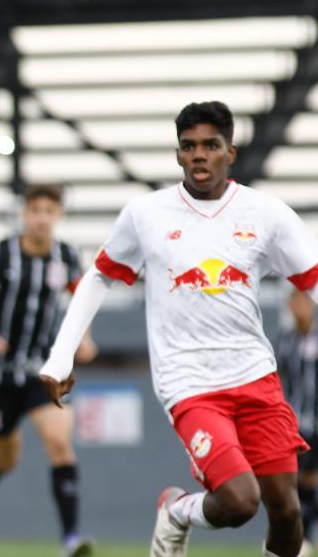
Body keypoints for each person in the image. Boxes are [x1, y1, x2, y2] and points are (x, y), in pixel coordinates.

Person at [37, 101, 318, 557]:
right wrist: (61, 354)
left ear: (231, 151)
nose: (199, 155)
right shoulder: (147, 214)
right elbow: (101, 275)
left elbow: (313, 279)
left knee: (286, 513)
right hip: (189, 384)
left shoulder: (266, 214)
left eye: (210, 145)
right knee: (240, 502)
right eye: (189, 147)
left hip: (255, 378)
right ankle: (177, 511)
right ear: (178, 155)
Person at [0, 184, 97, 557]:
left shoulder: (66, 257)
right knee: (7, 455)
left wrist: (84, 337)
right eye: (36, 210)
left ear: (58, 216)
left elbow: (81, 297)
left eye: (50, 210)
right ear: (24, 214)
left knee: (61, 442)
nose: (42, 218)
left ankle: (70, 538)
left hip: (41, 371)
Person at [278, 290, 318, 557]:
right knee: (299, 484)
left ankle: (306, 538)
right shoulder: (286, 341)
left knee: (311, 482)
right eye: (294, 301)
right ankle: (303, 540)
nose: (298, 307)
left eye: (303, 301)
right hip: (296, 427)